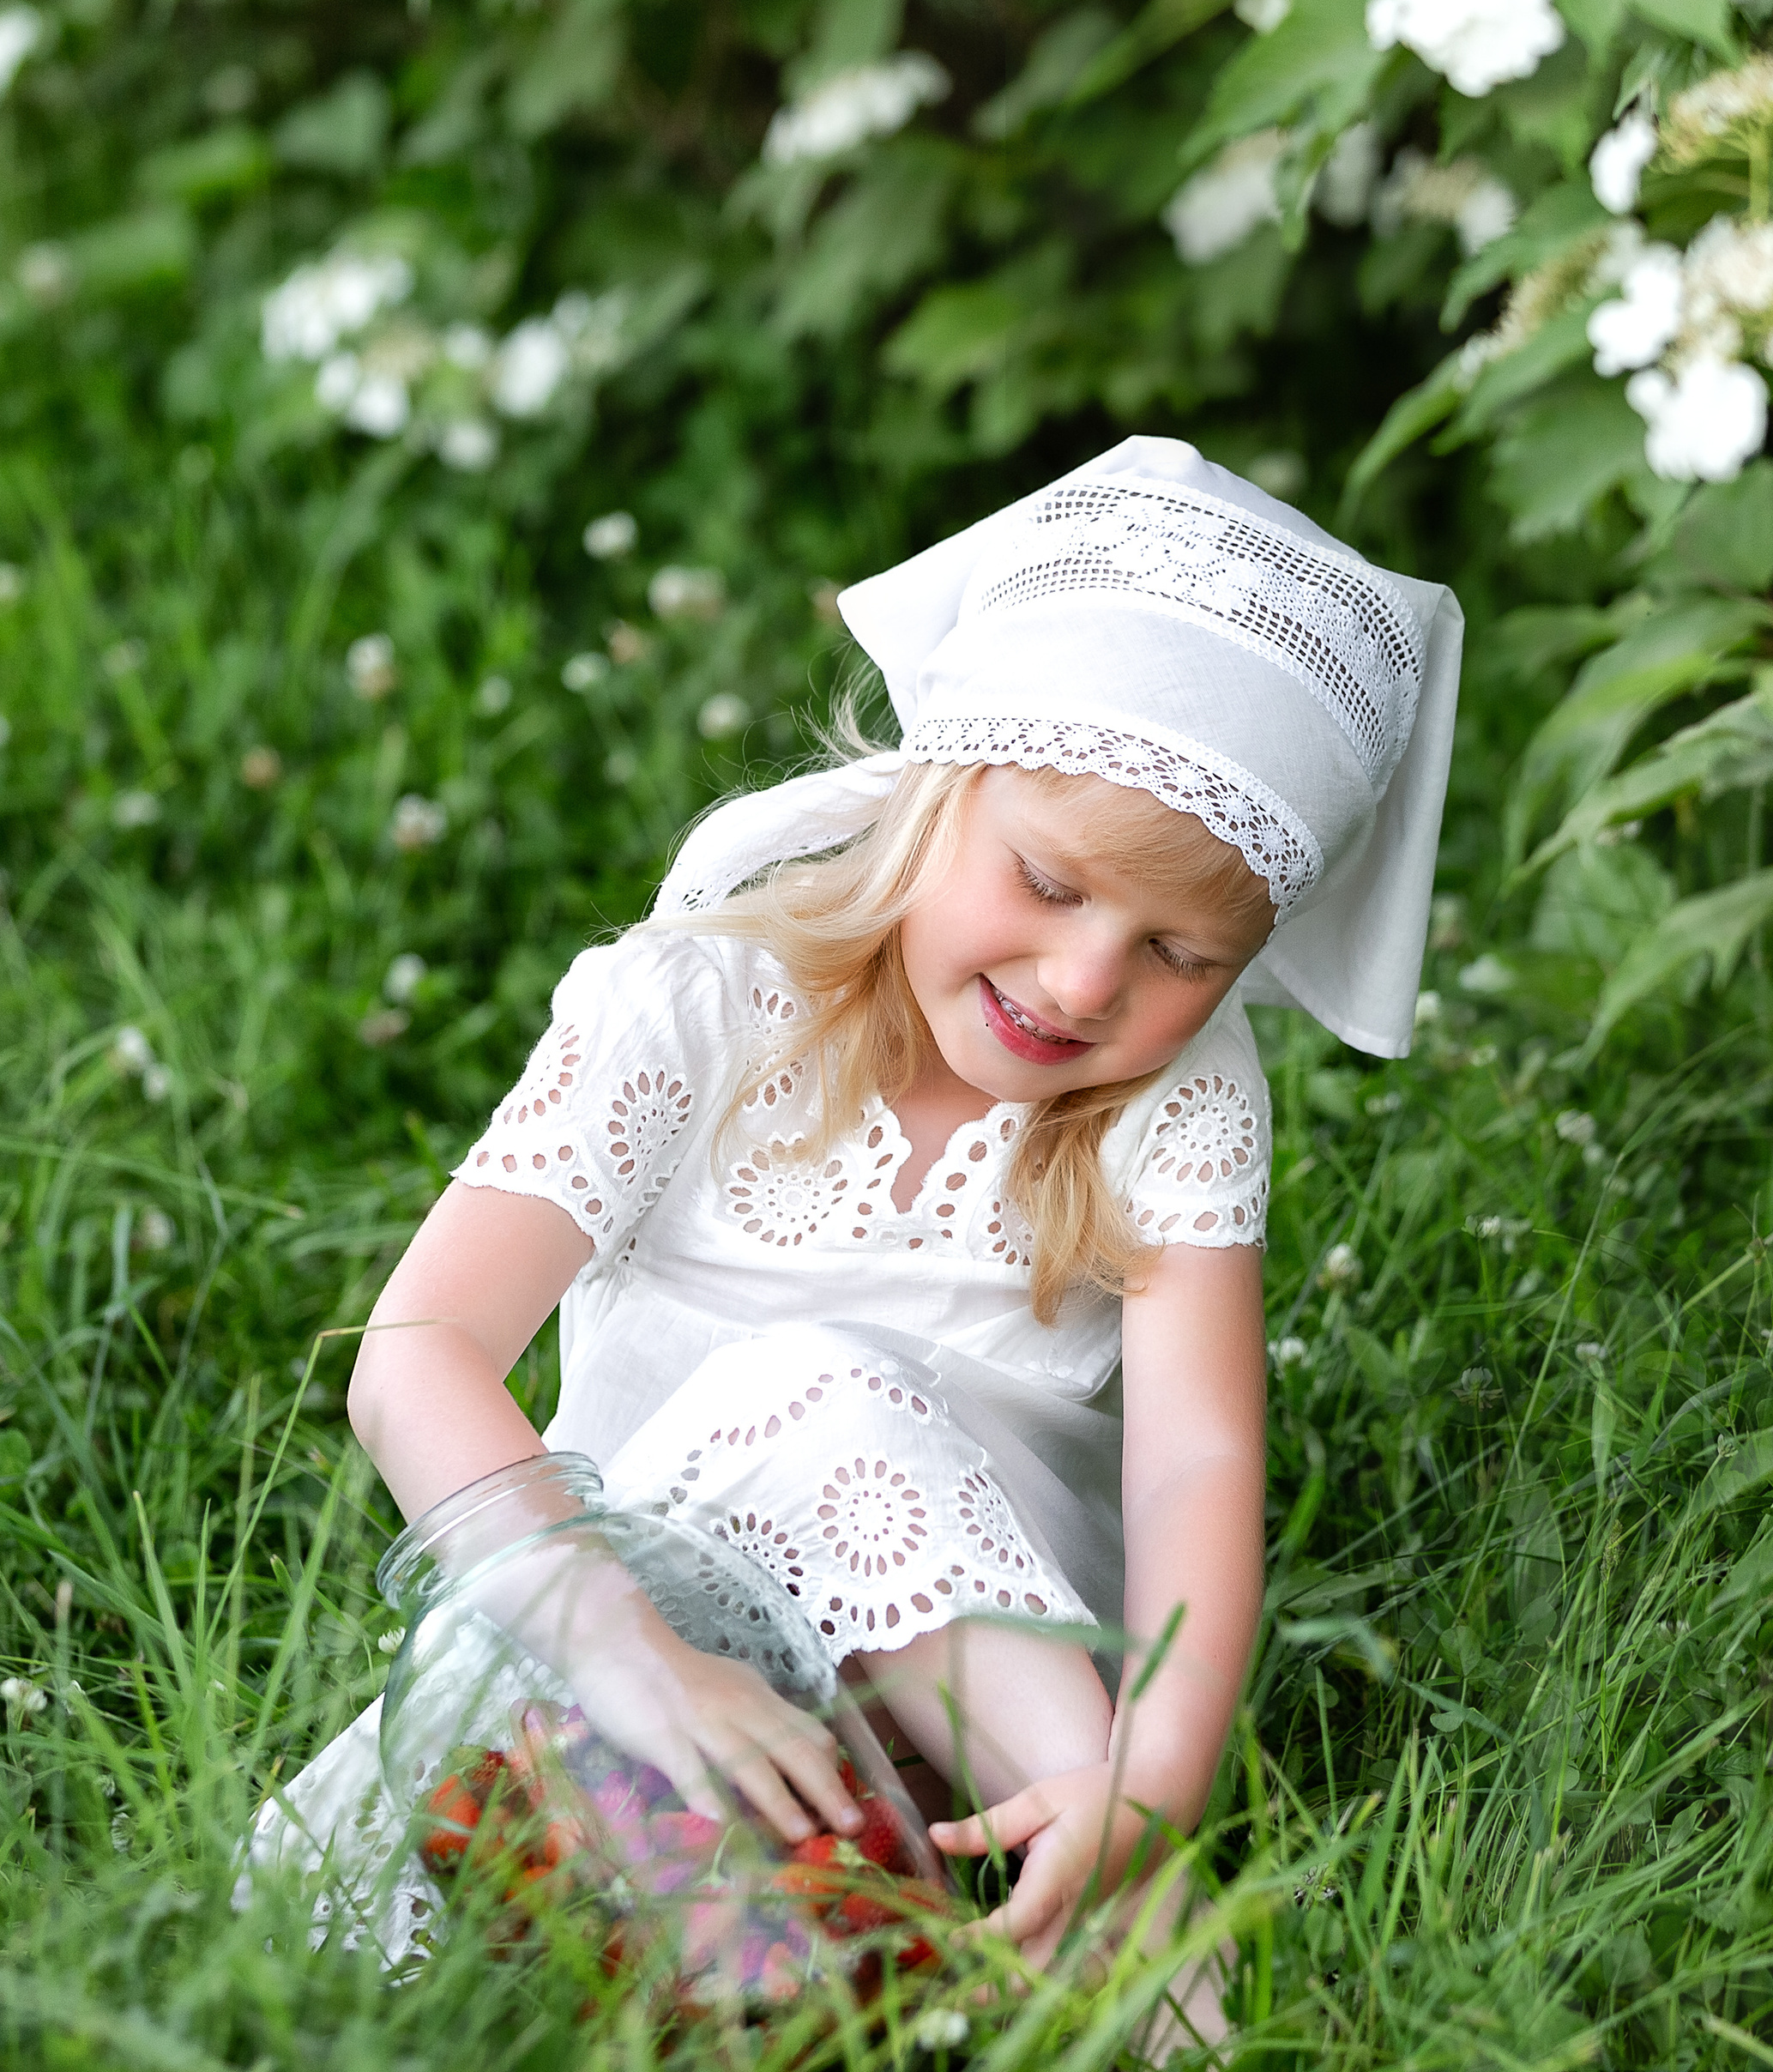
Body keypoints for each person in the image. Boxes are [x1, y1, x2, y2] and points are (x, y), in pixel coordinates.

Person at [244, 435, 1462, 2025]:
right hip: (638, 1620)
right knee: (333, 1877)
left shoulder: (1177, 1102)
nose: (1086, 982)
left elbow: (1194, 1461)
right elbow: (416, 1356)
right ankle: (794, 1963)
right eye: (1048, 883)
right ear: (939, 785)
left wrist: (1155, 1778)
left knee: (824, 1395)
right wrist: (628, 1650)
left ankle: (1138, 1938)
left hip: (992, 1676)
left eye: (1181, 954)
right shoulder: (699, 1000)